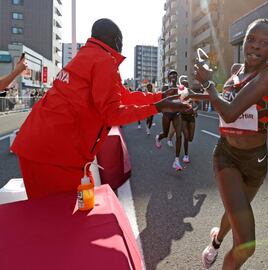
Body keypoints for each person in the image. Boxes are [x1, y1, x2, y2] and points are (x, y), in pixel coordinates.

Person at [11, 18, 189, 199]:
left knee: (49, 213)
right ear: (117, 41)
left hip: (39, 143)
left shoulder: (86, 56)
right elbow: (112, 114)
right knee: (64, 215)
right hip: (56, 154)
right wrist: (158, 107)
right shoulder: (104, 61)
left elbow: (124, 96)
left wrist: (160, 96)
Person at [191, 18, 268, 269]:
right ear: (244, 42)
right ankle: (218, 242)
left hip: (256, 161)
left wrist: (208, 83)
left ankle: (216, 239)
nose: (255, 46)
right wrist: (190, 95)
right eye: (251, 39)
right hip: (227, 155)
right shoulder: (234, 71)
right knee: (247, 244)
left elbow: (230, 111)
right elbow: (222, 101)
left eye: (264, 43)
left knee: (235, 213)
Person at [155, 69, 184, 171]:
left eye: (175, 75)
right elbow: (161, 100)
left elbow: (183, 98)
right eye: (171, 75)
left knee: (179, 135)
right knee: (166, 134)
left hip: (176, 114)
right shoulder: (165, 87)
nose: (173, 76)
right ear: (168, 77)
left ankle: (176, 161)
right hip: (167, 114)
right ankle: (159, 137)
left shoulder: (180, 87)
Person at [179, 77, 199, 164]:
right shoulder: (179, 94)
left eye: (186, 85)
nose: (185, 86)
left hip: (191, 117)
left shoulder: (191, 93)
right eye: (183, 85)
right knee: (186, 137)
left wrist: (195, 110)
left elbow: (198, 103)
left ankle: (186, 152)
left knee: (190, 138)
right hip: (182, 117)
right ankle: (186, 155)